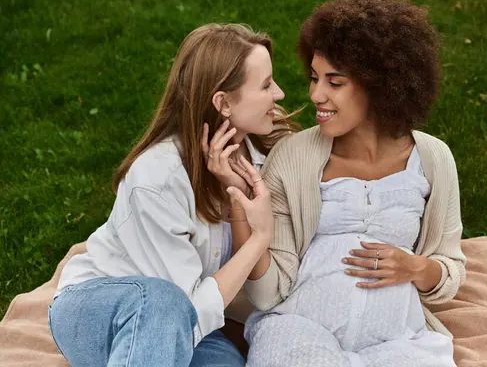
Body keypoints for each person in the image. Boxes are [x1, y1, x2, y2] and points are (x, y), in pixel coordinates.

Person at [232, 0, 467, 366]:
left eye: (334, 82)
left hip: (400, 341)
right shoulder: (294, 157)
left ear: (379, 84)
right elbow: (266, 291)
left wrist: (415, 267)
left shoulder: (433, 159)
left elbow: (450, 267)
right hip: (300, 330)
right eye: (314, 78)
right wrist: (241, 213)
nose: (315, 95)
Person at [47, 23, 299, 367]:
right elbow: (187, 308)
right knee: (162, 302)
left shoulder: (261, 156)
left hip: (186, 324)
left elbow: (195, 317)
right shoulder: (157, 179)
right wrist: (260, 237)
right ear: (223, 103)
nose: (280, 94)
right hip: (98, 308)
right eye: (266, 85)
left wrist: (236, 194)